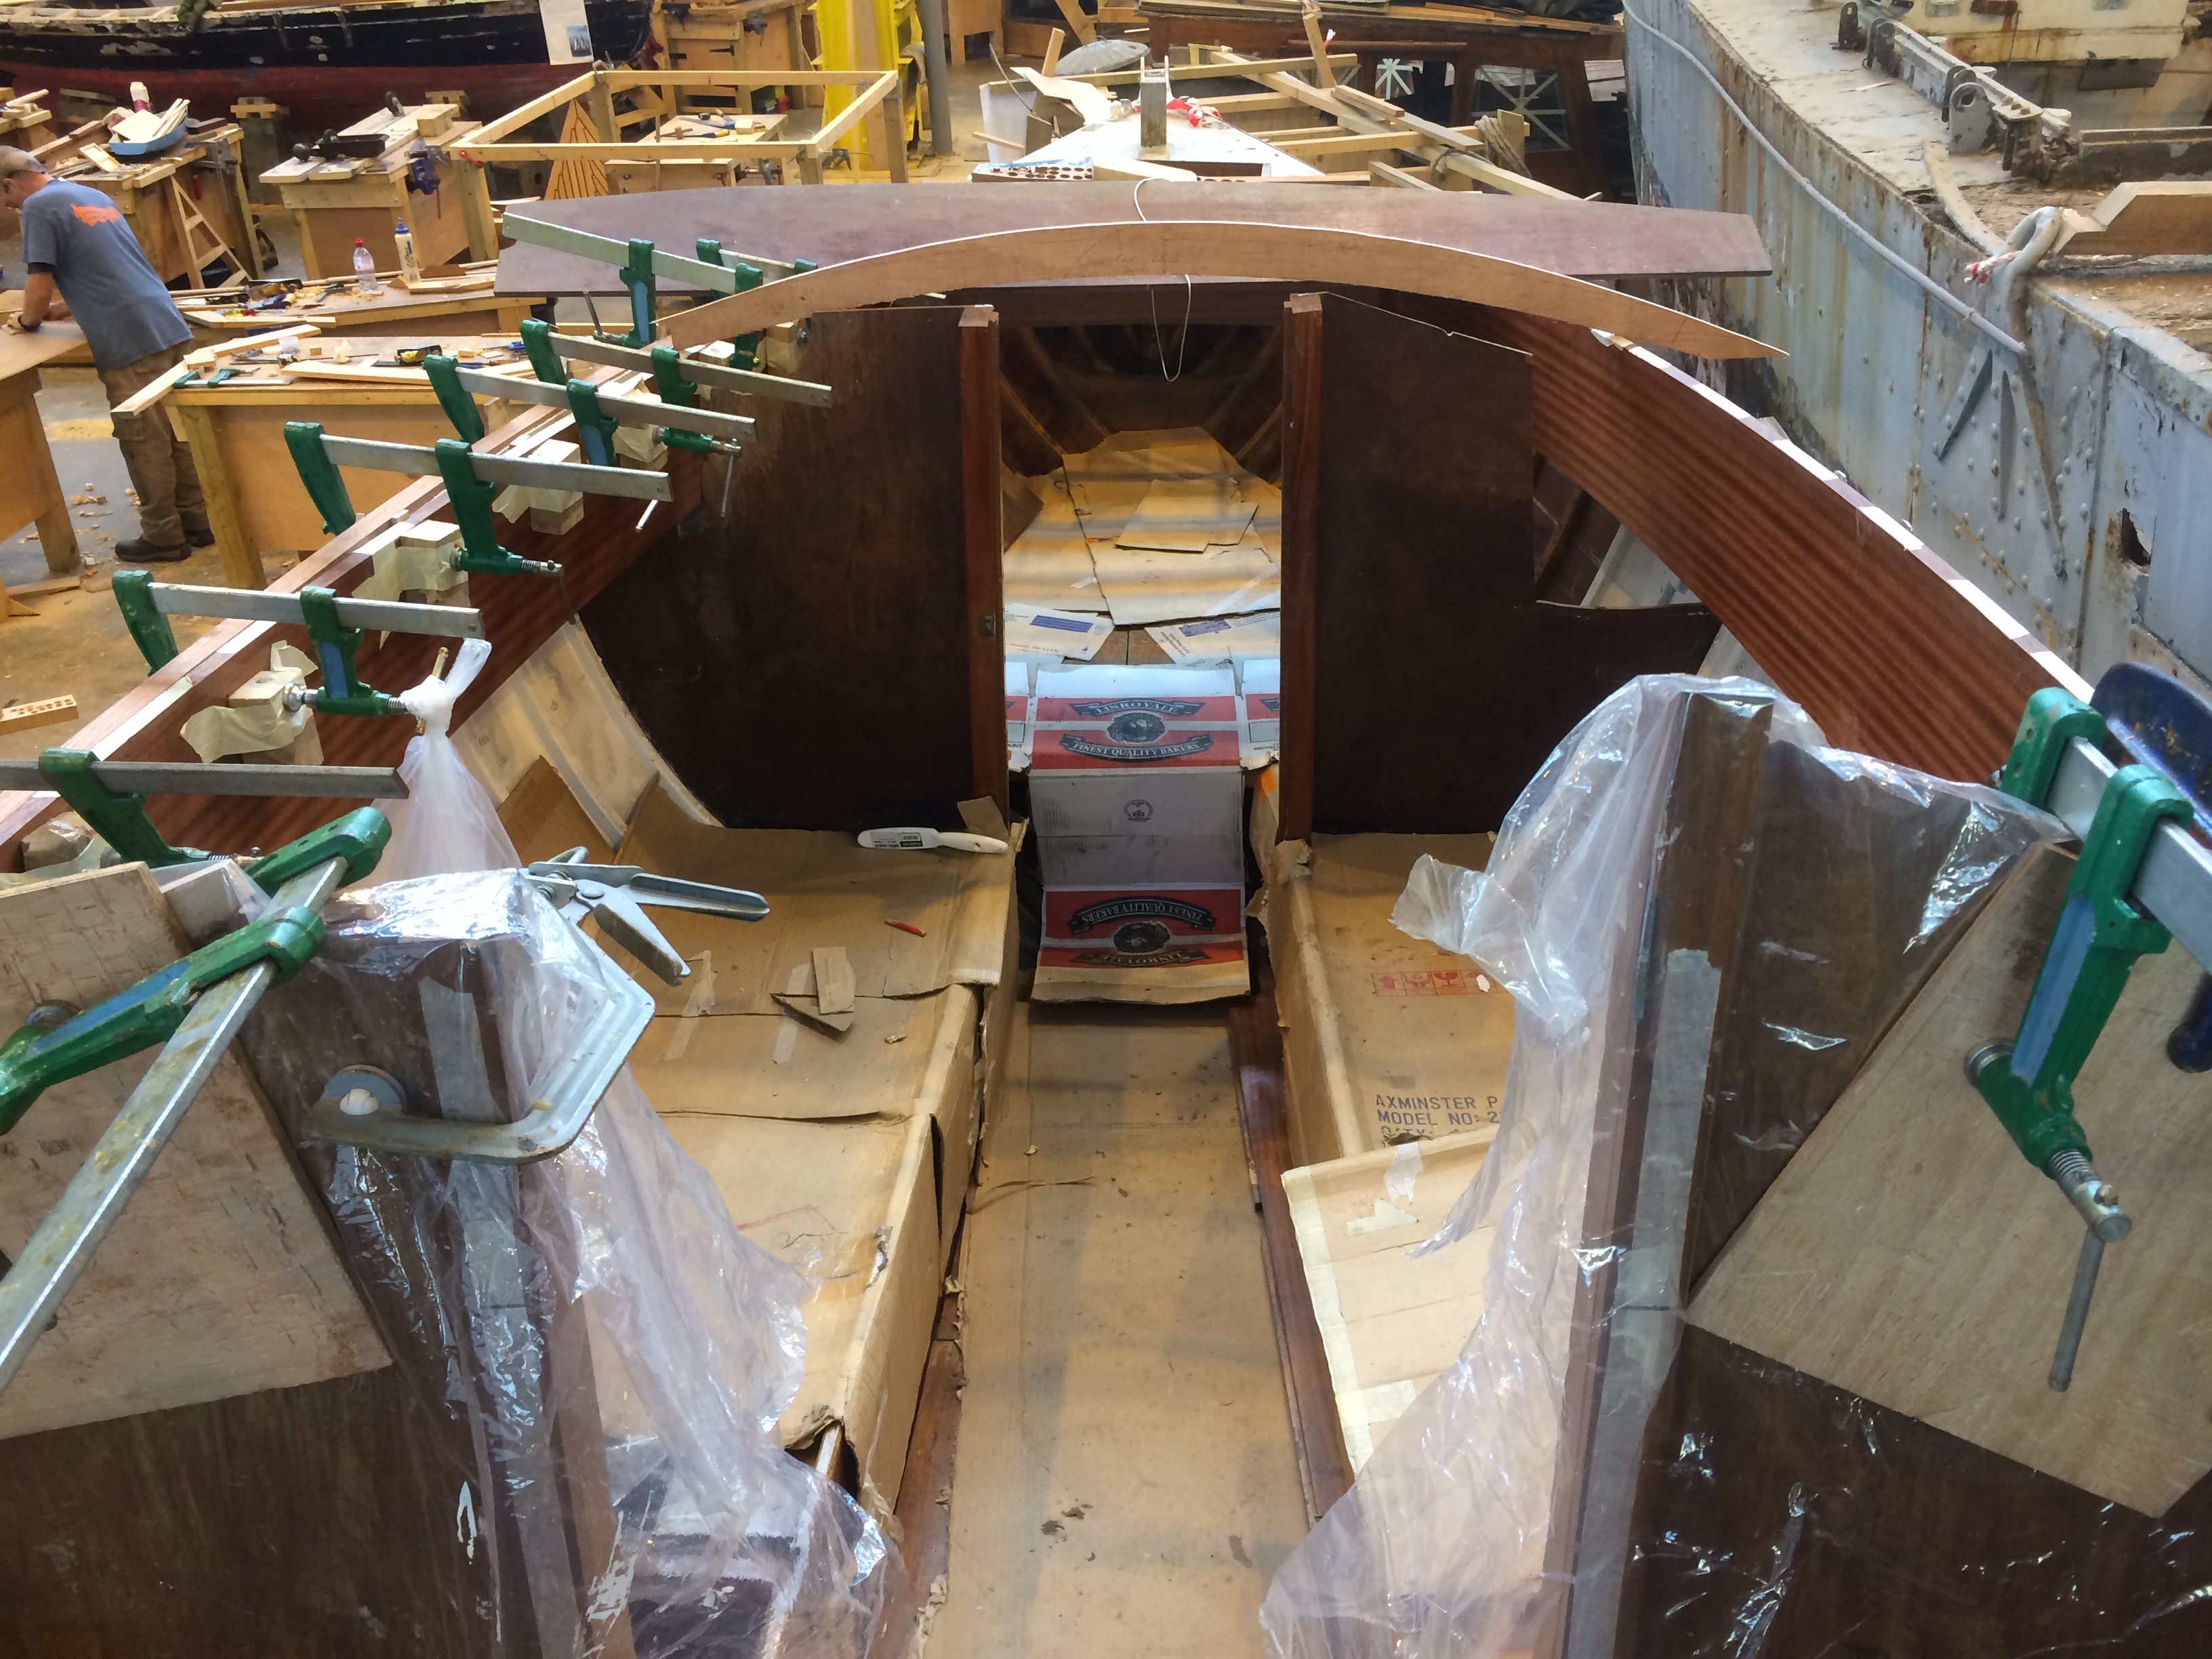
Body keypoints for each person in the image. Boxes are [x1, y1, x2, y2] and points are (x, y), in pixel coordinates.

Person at [0, 145, 209, 562]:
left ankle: (164, 537)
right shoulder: (91, 194)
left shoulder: (38, 207)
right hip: (165, 321)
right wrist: (67, 307)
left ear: (8, 185)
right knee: (177, 431)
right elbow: (110, 270)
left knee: (143, 440)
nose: (9, 208)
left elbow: (38, 287)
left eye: (5, 200)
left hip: (128, 337)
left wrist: (27, 321)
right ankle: (198, 522)